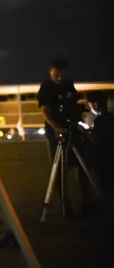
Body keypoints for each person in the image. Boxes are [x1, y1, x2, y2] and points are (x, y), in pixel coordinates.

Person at [37, 58, 92, 214]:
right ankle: (65, 203)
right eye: (56, 75)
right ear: (51, 73)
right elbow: (45, 111)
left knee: (80, 165)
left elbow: (74, 103)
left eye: (62, 74)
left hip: (71, 129)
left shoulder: (69, 85)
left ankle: (87, 201)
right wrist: (56, 127)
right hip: (56, 132)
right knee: (59, 168)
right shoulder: (46, 88)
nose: (59, 78)